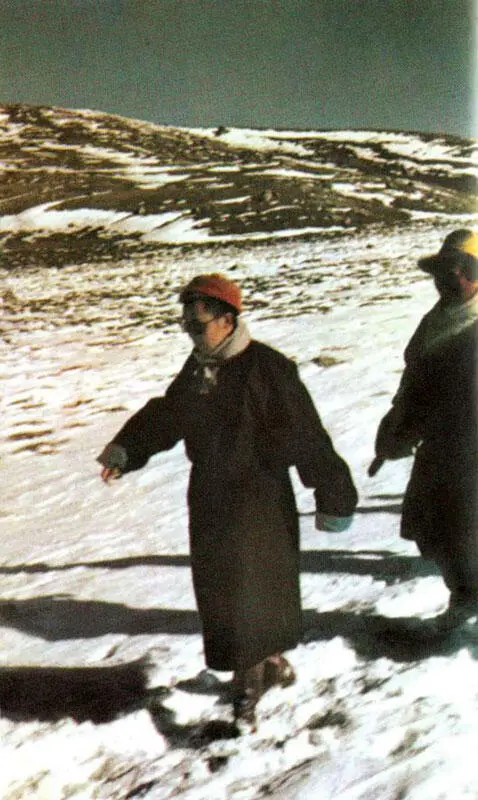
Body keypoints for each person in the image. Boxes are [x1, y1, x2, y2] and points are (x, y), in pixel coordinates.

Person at [98, 272, 358, 726]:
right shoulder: (200, 367)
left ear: (227, 320)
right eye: (185, 324)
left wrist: (332, 493)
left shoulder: (267, 368)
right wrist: (127, 450)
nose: (190, 332)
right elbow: (169, 414)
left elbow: (305, 433)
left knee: (247, 592)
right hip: (210, 496)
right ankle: (270, 666)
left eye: (197, 324)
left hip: (259, 498)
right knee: (222, 591)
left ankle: (246, 686)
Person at [369, 229, 478, 633]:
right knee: (432, 527)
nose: (452, 277)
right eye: (444, 270)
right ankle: (464, 597)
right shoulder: (434, 322)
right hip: (440, 443)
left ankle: (469, 602)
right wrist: (397, 423)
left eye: (462, 269)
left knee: (467, 530)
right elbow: (415, 380)